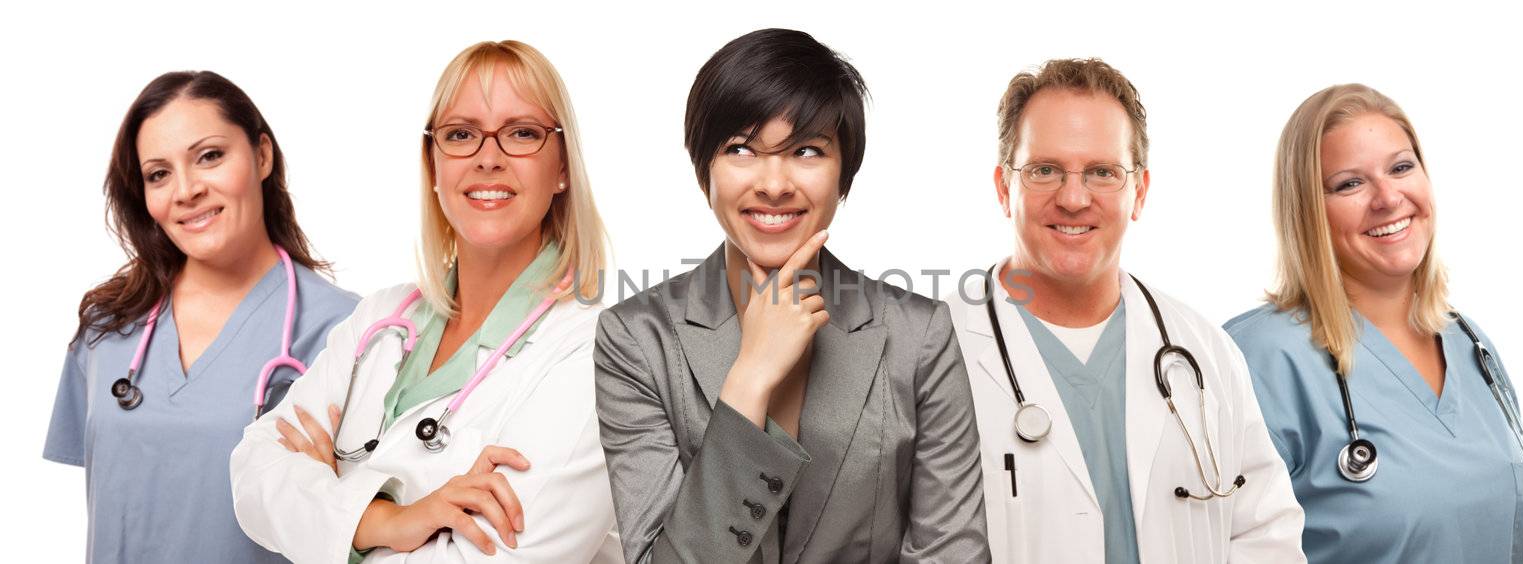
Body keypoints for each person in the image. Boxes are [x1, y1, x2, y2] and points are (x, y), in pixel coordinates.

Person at [593, 28, 989, 563]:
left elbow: (952, 553)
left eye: (806, 150)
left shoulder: (918, 335)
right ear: (703, 169)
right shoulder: (636, 338)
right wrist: (750, 375)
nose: (774, 184)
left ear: (843, 173)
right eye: (741, 150)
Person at [228, 40, 621, 563]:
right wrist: (388, 520)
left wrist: (326, 513)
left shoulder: (597, 353)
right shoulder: (379, 320)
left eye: (521, 133)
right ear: (433, 164)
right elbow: (252, 471)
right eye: (460, 135)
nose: (487, 158)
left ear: (563, 167)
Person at [942, 58, 1305, 563]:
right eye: (1045, 170)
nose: (1073, 198)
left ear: (1140, 191)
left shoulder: (1204, 351)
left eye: (1103, 172)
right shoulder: (936, 351)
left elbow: (1267, 536)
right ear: (1005, 188)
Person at [43, 70, 359, 563]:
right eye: (158, 174)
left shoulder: (347, 332)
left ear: (262, 156)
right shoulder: (107, 327)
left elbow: (367, 524)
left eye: (209, 156)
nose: (186, 190)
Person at [1224, 83, 1523, 564]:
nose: (1389, 198)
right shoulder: (1259, 360)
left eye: (1401, 167)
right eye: (1350, 183)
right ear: (1309, 209)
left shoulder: (1471, 345)